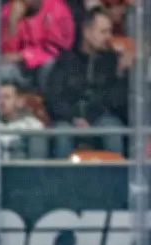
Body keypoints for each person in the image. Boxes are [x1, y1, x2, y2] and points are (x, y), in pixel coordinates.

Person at [45, 7, 128, 158]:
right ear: (87, 32)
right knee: (61, 133)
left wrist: (124, 72)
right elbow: (53, 97)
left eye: (110, 31)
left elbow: (118, 98)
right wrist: (74, 117)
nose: (109, 37)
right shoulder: (65, 61)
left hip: (101, 117)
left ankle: (117, 180)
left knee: (113, 130)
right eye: (103, 32)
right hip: (69, 120)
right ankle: (61, 181)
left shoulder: (113, 61)